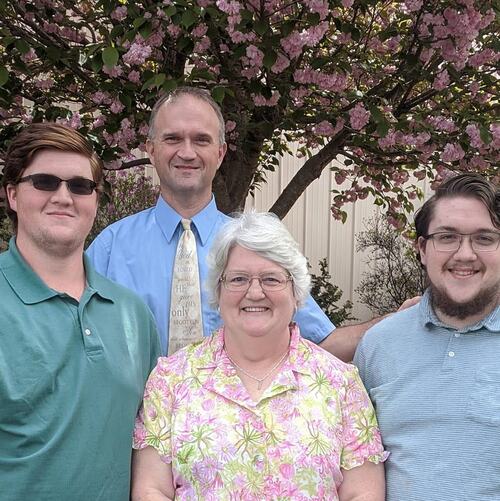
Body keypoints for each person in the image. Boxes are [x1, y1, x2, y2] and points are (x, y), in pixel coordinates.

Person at [87, 86, 402, 360]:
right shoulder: (110, 249)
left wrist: (401, 322)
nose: (187, 152)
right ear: (151, 149)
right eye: (172, 138)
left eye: (201, 140)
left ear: (220, 153)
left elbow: (320, 346)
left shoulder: (256, 246)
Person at [131, 211, 387, 500]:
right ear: (218, 290)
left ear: (296, 292)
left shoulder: (342, 384)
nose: (254, 292)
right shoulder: (171, 380)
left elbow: (362, 493)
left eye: (271, 279)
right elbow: (151, 489)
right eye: (238, 279)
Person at [0, 123, 161, 501]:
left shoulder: (132, 314)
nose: (63, 197)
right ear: (12, 195)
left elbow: (154, 441)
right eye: (44, 182)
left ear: (95, 200)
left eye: (79, 186)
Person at [354, 173, 500, 500]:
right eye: (447, 237)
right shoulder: (378, 345)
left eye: (484, 238)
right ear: (422, 249)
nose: (465, 254)